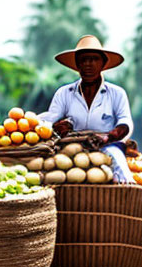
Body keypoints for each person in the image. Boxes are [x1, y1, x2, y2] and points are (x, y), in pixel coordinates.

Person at [38, 35, 134, 183]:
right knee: (48, 169)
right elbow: (49, 121)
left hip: (107, 146)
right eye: (83, 60)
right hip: (70, 149)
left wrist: (108, 136)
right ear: (77, 65)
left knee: (119, 164)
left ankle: (127, 192)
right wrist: (57, 127)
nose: (88, 64)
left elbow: (125, 122)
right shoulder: (64, 93)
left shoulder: (116, 93)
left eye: (94, 59)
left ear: (103, 64)